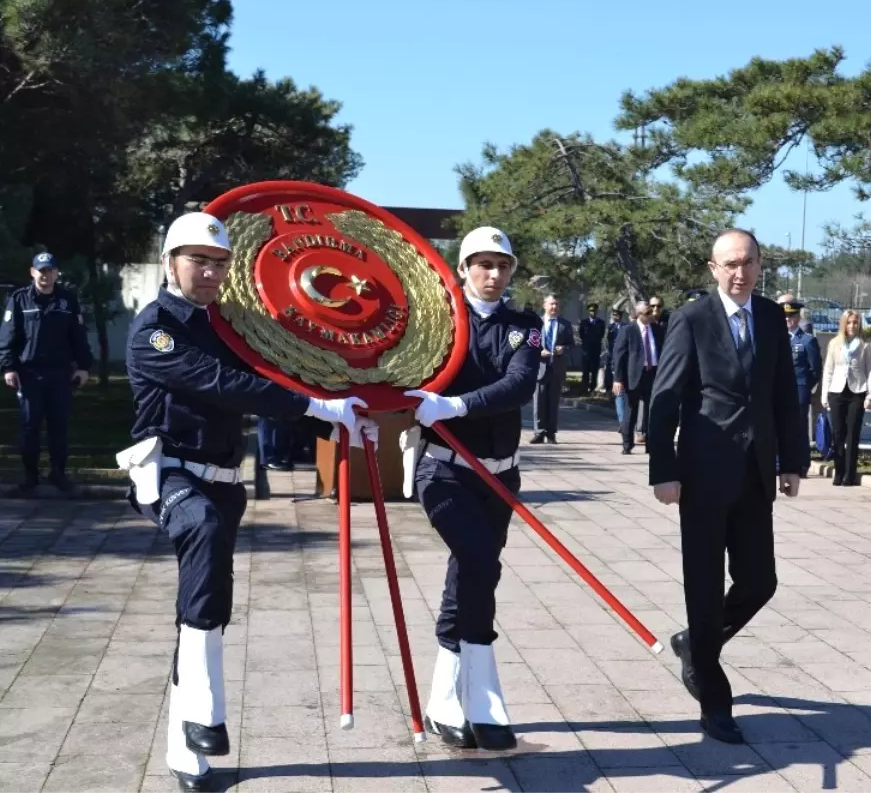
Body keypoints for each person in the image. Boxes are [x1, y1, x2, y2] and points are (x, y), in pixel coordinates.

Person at [118, 212, 378, 792]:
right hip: (169, 471)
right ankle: (206, 710)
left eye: (218, 263)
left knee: (208, 591)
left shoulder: (230, 325)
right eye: (197, 261)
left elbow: (280, 365)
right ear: (170, 263)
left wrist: (351, 407)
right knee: (202, 534)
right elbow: (224, 383)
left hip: (223, 476)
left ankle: (188, 755)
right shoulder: (154, 329)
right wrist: (314, 409)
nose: (209, 272)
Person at [648, 228, 804, 744]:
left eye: (749, 263)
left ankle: (695, 643)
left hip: (757, 473)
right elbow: (665, 397)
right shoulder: (692, 320)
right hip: (702, 475)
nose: (740, 273)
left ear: (761, 265)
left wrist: (793, 460)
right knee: (704, 586)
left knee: (760, 582)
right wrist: (663, 469)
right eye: (730, 264)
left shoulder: (770, 320)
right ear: (713, 268)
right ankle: (714, 701)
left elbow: (784, 393)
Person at [402, 226, 541, 750]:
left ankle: (448, 699)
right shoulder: (437, 324)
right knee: (481, 562)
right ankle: (484, 700)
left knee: (472, 572)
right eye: (482, 264)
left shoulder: (524, 326)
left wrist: (456, 405)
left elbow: (520, 383)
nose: (493, 274)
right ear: (462, 269)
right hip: (445, 471)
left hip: (501, 473)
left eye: (502, 266)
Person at [0, 251, 93, 494]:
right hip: (29, 374)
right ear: (32, 272)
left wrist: (83, 366)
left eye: (50, 270)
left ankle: (58, 474)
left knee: (59, 426)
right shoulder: (19, 299)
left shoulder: (67, 301)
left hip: (60, 374)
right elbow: (7, 336)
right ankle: (31, 477)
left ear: (56, 273)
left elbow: (78, 337)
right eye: (41, 271)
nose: (46, 275)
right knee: (30, 427)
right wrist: (8, 367)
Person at [821, 309, 871, 486]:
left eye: (855, 323)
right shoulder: (834, 344)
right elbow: (828, 370)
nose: (852, 326)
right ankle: (839, 471)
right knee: (837, 434)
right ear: (843, 324)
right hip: (836, 392)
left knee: (852, 434)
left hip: (856, 393)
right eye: (849, 322)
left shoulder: (865, 345)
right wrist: (824, 395)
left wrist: (870, 395)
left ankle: (850, 474)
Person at [612, 301, 664, 455]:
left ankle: (651, 444)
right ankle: (627, 444)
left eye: (652, 312)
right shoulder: (628, 331)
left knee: (652, 410)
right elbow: (619, 356)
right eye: (647, 313)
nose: (652, 315)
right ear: (638, 315)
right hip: (634, 376)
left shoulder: (657, 329)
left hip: (653, 374)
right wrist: (617, 379)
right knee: (631, 411)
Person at [782, 300, 821, 476]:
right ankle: (781, 463)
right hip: (779, 391)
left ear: (798, 318)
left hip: (799, 390)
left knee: (798, 427)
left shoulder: (807, 340)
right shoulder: (776, 338)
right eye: (785, 316)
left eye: (792, 316)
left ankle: (802, 464)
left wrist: (805, 387)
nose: (788, 319)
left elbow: (815, 369)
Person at [531, 294, 573, 444]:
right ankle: (538, 432)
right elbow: (528, 345)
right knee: (539, 401)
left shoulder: (565, 325)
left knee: (553, 402)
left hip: (556, 367)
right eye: (551, 304)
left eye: (556, 304)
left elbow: (571, 346)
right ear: (544, 305)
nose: (554, 307)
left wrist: (564, 349)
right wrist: (538, 352)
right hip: (540, 367)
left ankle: (551, 433)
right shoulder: (536, 323)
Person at [578, 302, 605, 393]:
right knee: (585, 369)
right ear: (588, 311)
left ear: (597, 311)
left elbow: (601, 334)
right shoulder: (584, 322)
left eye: (594, 310)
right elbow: (581, 334)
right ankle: (584, 387)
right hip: (586, 349)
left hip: (596, 349)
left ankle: (593, 388)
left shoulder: (601, 323)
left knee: (594, 370)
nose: (592, 312)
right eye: (590, 311)